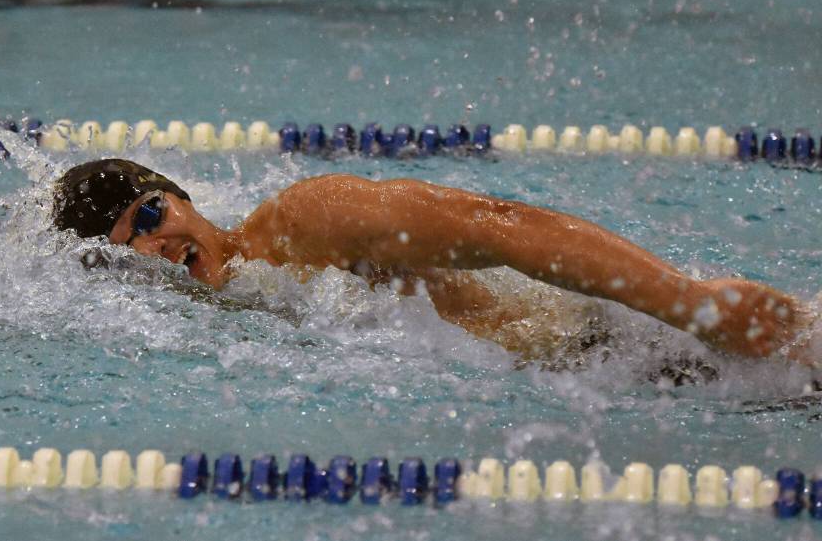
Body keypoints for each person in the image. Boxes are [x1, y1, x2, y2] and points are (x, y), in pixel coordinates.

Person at [52, 158, 816, 366]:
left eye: (153, 212)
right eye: (132, 245)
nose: (159, 242)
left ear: (179, 195)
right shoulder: (230, 312)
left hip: (647, 349)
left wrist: (693, 306)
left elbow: (500, 224)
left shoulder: (302, 223)